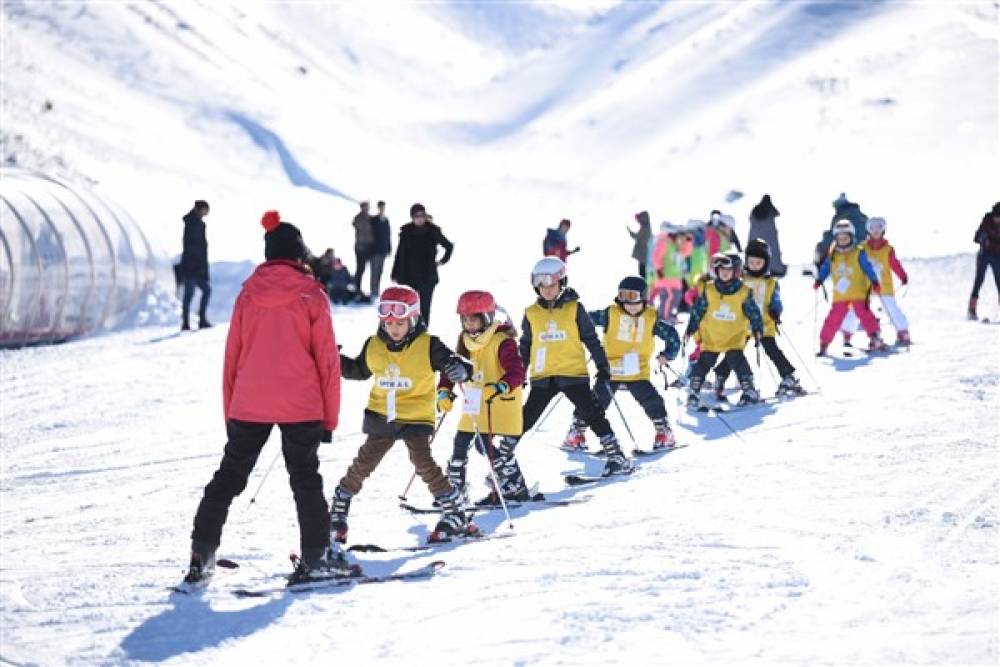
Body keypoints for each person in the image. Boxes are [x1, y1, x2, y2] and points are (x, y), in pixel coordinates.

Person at [183, 210, 342, 585]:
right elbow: (328, 363)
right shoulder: (312, 294)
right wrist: (330, 419)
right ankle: (316, 556)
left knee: (228, 477)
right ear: (299, 254)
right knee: (305, 479)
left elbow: (231, 359)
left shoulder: (247, 295)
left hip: (249, 403)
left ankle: (201, 550)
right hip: (301, 404)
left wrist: (231, 414)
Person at [328, 285, 473, 544]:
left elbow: (455, 362)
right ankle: (340, 505)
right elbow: (358, 371)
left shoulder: (428, 344)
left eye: (400, 322)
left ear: (414, 319)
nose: (394, 328)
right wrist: (333, 358)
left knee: (422, 462)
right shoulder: (374, 345)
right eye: (389, 322)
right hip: (383, 414)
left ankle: (454, 510)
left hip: (416, 415)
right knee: (365, 462)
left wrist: (459, 369)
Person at [480, 258, 632, 504]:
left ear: (562, 281)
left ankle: (617, 457)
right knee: (523, 419)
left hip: (572, 373)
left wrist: (603, 366)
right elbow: (526, 345)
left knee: (591, 413)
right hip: (543, 376)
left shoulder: (575, 308)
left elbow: (591, 338)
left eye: (552, 283)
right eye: (541, 284)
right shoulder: (531, 312)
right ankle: (501, 463)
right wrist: (520, 372)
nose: (547, 288)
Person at [562, 276, 681, 452]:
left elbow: (672, 335)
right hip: (610, 369)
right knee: (594, 402)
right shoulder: (610, 314)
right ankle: (576, 432)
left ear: (644, 298)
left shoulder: (651, 318)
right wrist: (572, 309)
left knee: (651, 400)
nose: (629, 305)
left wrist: (667, 355)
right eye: (624, 299)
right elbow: (586, 318)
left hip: (637, 371)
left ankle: (663, 432)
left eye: (634, 299)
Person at [436, 291, 525, 504]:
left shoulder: (502, 340)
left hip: (499, 402)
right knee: (460, 443)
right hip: (475, 401)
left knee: (484, 446)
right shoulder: (465, 341)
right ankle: (454, 490)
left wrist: (500, 386)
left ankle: (513, 485)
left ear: (486, 318)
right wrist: (444, 391)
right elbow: (451, 368)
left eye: (473, 319)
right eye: (465, 319)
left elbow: (517, 372)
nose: (469, 324)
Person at [712, 240, 805, 398]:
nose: (754, 265)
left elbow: (776, 300)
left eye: (758, 262)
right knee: (734, 352)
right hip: (741, 326)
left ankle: (788, 375)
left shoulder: (770, 283)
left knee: (772, 351)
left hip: (764, 325)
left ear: (766, 263)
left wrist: (776, 310)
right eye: (751, 262)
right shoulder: (740, 281)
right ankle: (720, 375)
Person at [684, 252, 764, 408]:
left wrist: (757, 328)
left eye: (728, 270)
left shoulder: (743, 292)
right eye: (721, 270)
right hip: (712, 337)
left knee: (738, 361)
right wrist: (690, 328)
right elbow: (698, 311)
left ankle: (749, 390)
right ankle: (694, 390)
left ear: (736, 271)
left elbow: (753, 312)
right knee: (704, 363)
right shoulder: (709, 290)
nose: (724, 273)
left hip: (733, 337)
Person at [814, 221, 888, 355]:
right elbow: (826, 268)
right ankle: (824, 343)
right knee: (833, 318)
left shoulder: (858, 252)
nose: (842, 240)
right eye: (840, 238)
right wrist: (819, 279)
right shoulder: (833, 254)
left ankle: (875, 337)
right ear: (836, 238)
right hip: (840, 294)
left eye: (845, 237)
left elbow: (867, 267)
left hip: (858, 292)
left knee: (866, 316)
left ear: (851, 236)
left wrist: (874, 281)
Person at [390, 203, 454, 325]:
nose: (419, 218)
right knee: (408, 307)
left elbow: (449, 246)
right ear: (412, 217)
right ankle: (409, 334)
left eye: (422, 215)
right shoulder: (406, 231)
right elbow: (400, 254)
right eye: (416, 216)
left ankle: (423, 335)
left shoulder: (433, 230)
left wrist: (442, 261)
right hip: (408, 276)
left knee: (424, 308)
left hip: (427, 276)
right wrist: (394, 273)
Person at [858, 217, 911, 345]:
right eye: (872, 228)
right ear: (868, 230)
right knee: (863, 309)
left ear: (883, 230)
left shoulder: (888, 249)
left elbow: (895, 264)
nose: (876, 231)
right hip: (867, 286)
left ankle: (903, 331)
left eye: (879, 228)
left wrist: (902, 276)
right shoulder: (862, 248)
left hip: (884, 285)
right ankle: (874, 336)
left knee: (891, 308)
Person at [179, 200, 212, 330]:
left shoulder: (198, 224)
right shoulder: (192, 224)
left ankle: (201, 319)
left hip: (198, 267)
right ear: (200, 209)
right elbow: (192, 248)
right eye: (205, 209)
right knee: (189, 294)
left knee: (206, 290)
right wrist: (198, 265)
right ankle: (186, 323)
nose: (207, 212)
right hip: (191, 267)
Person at [969, 202, 1000, 320]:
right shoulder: (986, 221)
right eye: (996, 217)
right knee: (979, 281)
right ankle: (972, 310)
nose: (997, 220)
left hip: (997, 256)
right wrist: (984, 239)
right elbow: (976, 237)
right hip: (984, 255)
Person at [649, 223, 685, 323]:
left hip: (675, 278)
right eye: (678, 235)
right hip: (666, 278)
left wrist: (689, 240)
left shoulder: (676, 246)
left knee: (675, 298)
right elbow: (656, 257)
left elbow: (687, 252)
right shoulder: (665, 243)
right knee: (668, 298)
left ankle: (668, 316)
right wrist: (659, 269)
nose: (680, 238)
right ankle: (664, 318)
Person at [748, 194, 786, 277]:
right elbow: (777, 213)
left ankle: (754, 268)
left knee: (756, 254)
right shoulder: (770, 210)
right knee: (772, 253)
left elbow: (750, 219)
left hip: (755, 236)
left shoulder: (755, 209)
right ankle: (774, 269)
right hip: (769, 236)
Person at [352, 201, 375, 301]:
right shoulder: (358, 218)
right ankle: (357, 288)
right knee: (360, 269)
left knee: (368, 269)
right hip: (360, 247)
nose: (366, 209)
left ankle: (370, 289)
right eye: (364, 207)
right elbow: (356, 225)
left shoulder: (371, 218)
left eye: (367, 207)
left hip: (369, 247)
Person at [370, 200, 392, 298]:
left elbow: (388, 235)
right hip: (374, 250)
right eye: (380, 207)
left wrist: (389, 248)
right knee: (374, 271)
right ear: (378, 208)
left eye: (383, 207)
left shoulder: (386, 220)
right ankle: (373, 291)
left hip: (383, 250)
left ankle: (377, 290)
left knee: (380, 271)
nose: (382, 209)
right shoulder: (373, 219)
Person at [628, 211, 652, 277]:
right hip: (645, 254)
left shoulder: (645, 228)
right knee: (643, 271)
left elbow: (636, 237)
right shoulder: (647, 227)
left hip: (643, 254)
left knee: (642, 272)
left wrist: (629, 231)